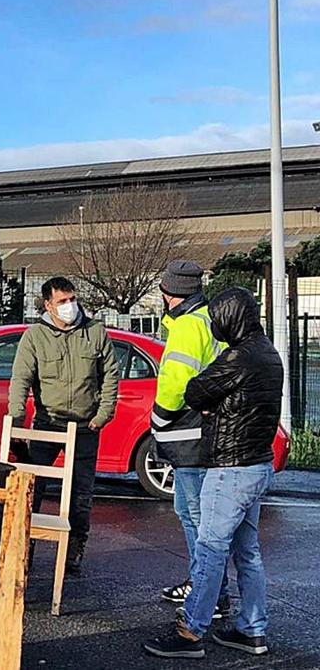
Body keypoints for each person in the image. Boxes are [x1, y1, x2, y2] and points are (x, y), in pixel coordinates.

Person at [143, 287, 282, 660]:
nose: (214, 324)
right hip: (258, 464)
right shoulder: (269, 354)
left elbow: (194, 391)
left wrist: (207, 404)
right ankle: (252, 630)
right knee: (247, 552)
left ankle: (191, 631)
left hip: (229, 468)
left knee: (210, 548)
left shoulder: (238, 358)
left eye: (219, 318)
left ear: (231, 320)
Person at [8, 276, 118, 575]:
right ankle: (23, 552)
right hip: (47, 422)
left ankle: (73, 551)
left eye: (72, 300)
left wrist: (103, 415)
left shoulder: (95, 332)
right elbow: (21, 379)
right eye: (62, 301)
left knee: (80, 495)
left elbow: (110, 376)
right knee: (33, 490)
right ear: (48, 305)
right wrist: (16, 420)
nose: (69, 306)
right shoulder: (35, 337)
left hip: (85, 426)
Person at [151, 260, 230, 615]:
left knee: (195, 516)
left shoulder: (186, 327)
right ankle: (205, 585)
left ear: (170, 293)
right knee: (196, 514)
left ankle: (209, 593)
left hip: (189, 435)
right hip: (207, 431)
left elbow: (174, 384)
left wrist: (158, 418)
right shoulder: (210, 319)